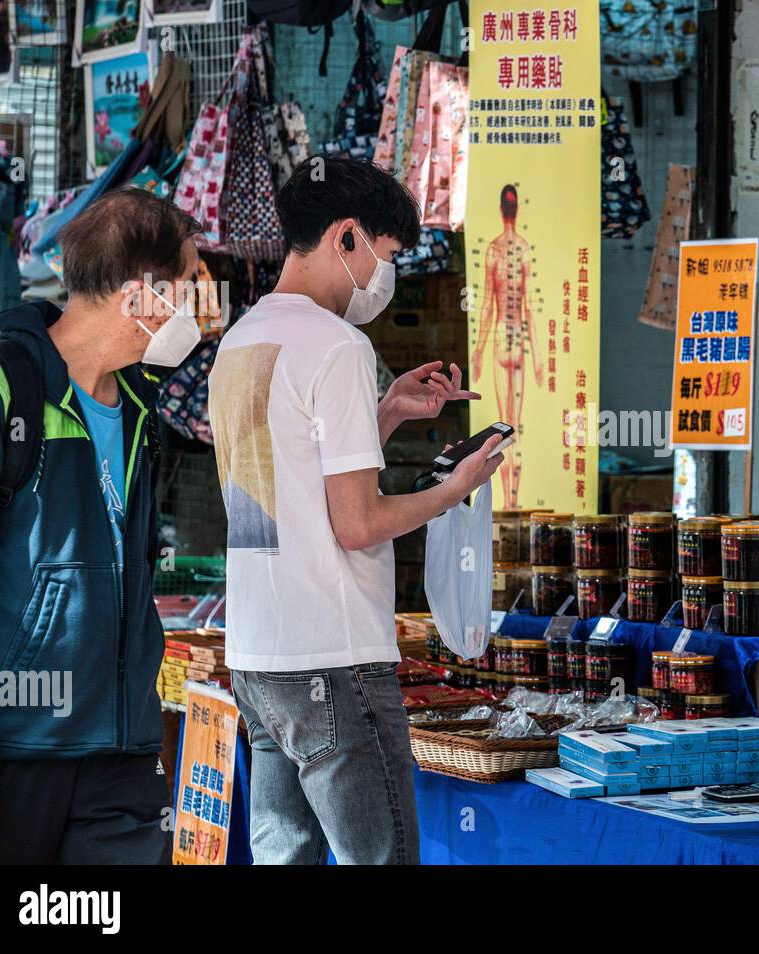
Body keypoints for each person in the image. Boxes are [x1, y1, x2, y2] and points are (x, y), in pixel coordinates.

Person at [208, 155, 502, 865]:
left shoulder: (241, 341)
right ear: (346, 236)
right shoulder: (338, 344)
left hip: (259, 658)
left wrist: (386, 412)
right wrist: (453, 489)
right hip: (332, 659)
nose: (385, 274)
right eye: (388, 254)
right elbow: (356, 523)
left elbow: (290, 476)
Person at [0, 188, 203, 864]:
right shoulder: (1, 385)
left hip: (122, 757)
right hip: (15, 752)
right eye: (184, 288)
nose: (193, 310)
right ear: (137, 298)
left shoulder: (139, 406)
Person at [470, 183, 542, 505]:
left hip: (501, 340)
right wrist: (538, 358)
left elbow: (487, 306)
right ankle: (513, 499)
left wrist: (478, 350)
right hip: (520, 345)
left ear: (502, 210)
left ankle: (510, 503)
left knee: (505, 426)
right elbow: (529, 310)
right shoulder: (524, 248)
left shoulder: (494, 249)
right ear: (517, 211)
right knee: (517, 423)